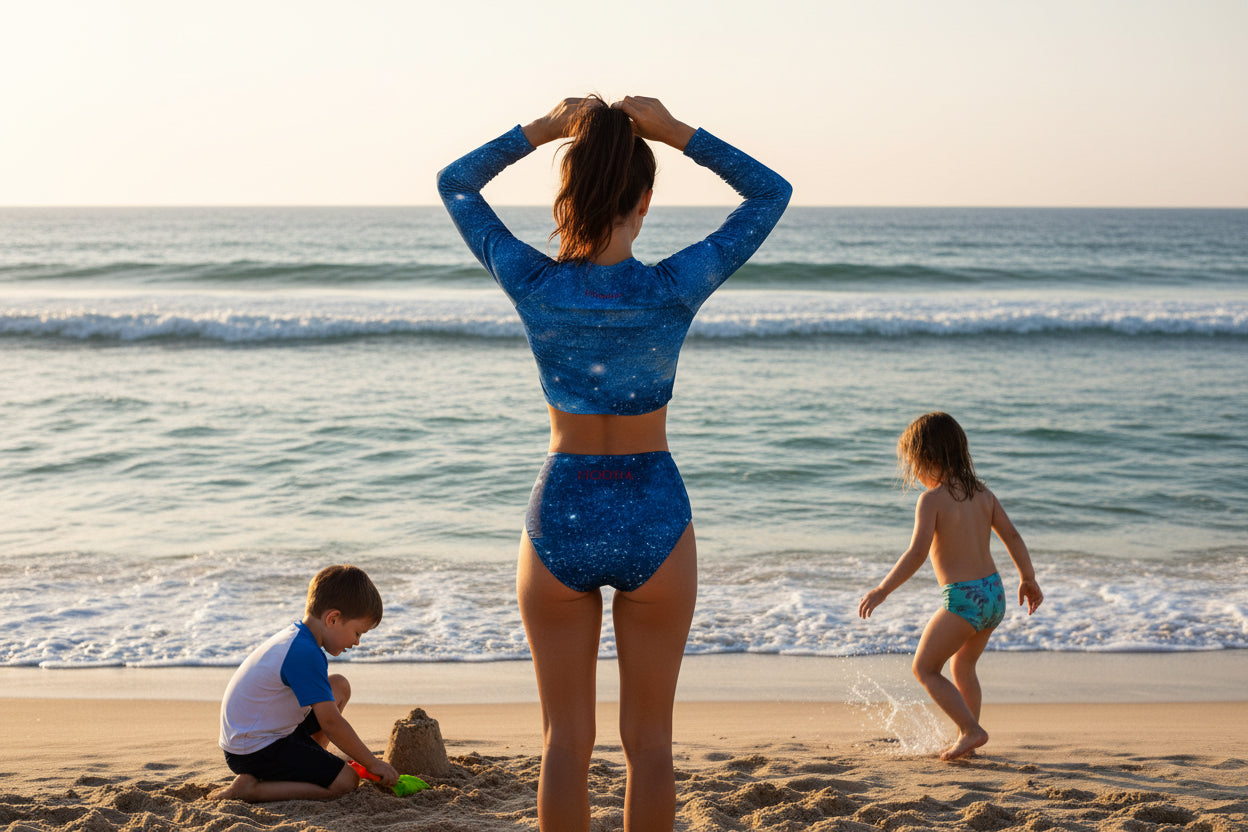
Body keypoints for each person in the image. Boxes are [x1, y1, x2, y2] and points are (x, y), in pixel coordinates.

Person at [438, 95, 790, 831]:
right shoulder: (672, 287)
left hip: (560, 510)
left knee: (563, 742)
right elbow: (769, 193)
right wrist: (676, 132)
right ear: (646, 199)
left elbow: (458, 184)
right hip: (653, 510)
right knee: (650, 746)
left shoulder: (534, 284)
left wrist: (540, 131)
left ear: (570, 194)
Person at [859, 412, 1043, 761]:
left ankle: (970, 730)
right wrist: (1028, 578)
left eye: (913, 464)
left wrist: (883, 590)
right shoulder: (983, 494)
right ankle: (968, 740)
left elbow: (916, 553)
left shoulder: (932, 500)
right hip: (994, 594)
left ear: (927, 459)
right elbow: (1013, 536)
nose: (914, 474)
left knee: (924, 668)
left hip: (964, 599)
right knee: (963, 668)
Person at [210, 564, 399, 802]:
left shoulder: (299, 638)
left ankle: (311, 762)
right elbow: (330, 722)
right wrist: (371, 763)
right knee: (346, 781)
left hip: (265, 731)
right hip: (254, 748)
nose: (357, 642)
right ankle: (251, 790)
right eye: (358, 633)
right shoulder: (304, 653)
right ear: (333, 618)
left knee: (338, 686)